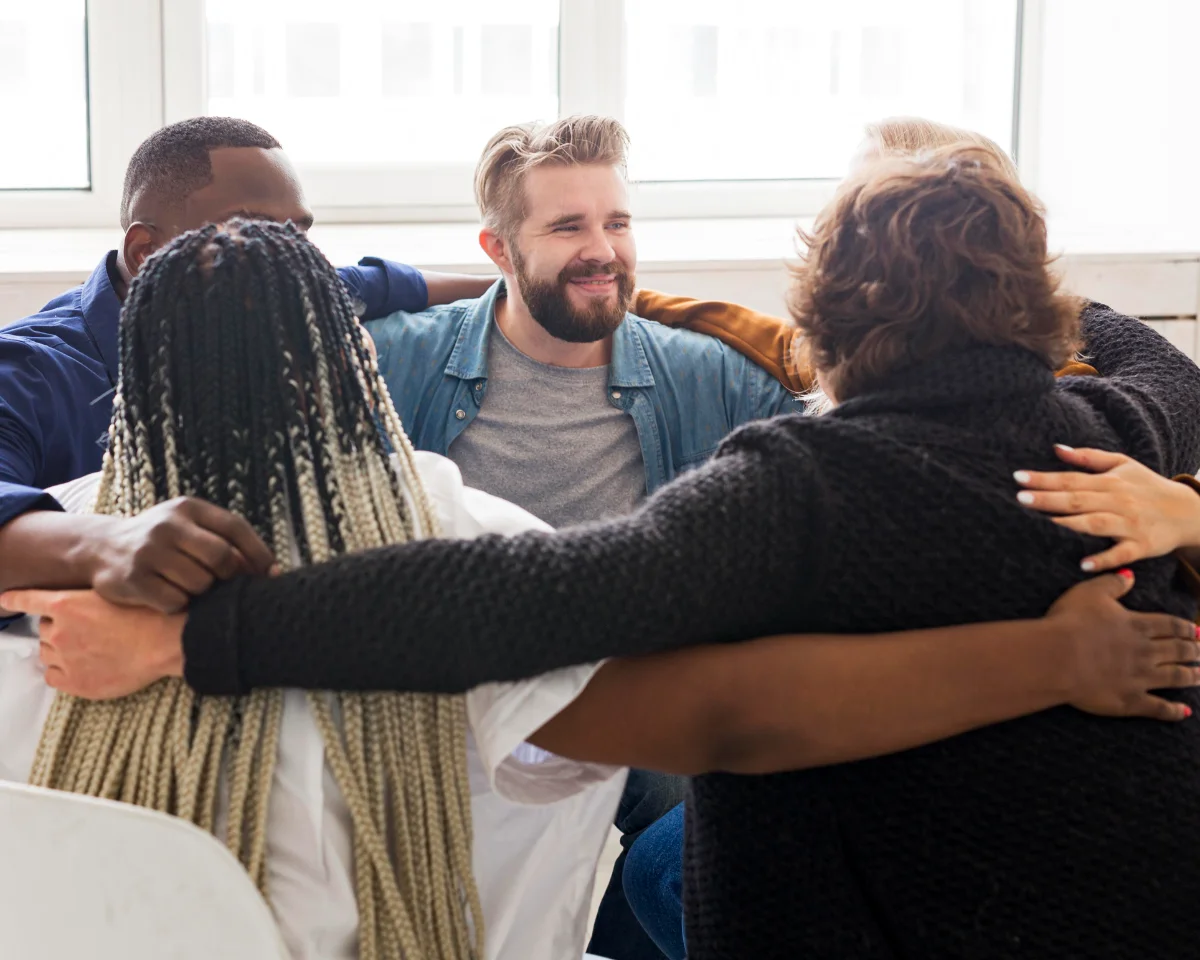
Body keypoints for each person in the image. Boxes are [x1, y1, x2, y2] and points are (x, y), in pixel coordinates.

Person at [12, 147, 1200, 957]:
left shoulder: (804, 485)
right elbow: (1148, 355)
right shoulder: (1120, 438)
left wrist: (195, 635)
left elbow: (540, 599)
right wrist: (997, 259)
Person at [364, 114, 800, 958]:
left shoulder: (708, 373)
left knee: (704, 816)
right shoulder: (392, 361)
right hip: (452, 681)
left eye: (618, 222)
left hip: (628, 681)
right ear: (497, 249)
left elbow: (848, 454)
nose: (603, 249)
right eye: (568, 226)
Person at [0, 115, 496, 621]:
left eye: (298, 232)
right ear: (146, 252)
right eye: (252, 229)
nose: (286, 252)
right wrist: (102, 545)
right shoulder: (31, 370)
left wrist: (509, 294)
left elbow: (387, 282)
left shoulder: (287, 284)